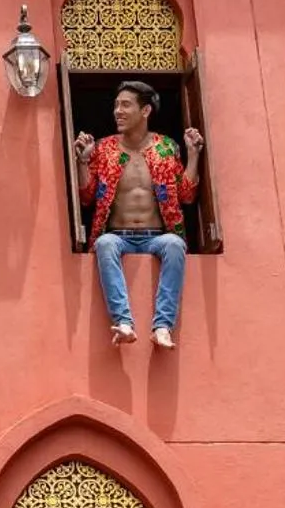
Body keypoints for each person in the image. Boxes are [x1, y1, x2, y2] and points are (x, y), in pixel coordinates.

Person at [73, 81, 204, 349]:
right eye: (116, 105)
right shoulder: (104, 148)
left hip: (156, 236)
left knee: (176, 245)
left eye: (125, 105)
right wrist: (83, 161)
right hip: (117, 235)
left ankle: (163, 326)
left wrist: (193, 155)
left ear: (145, 111)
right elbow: (86, 197)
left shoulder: (165, 148)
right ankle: (123, 322)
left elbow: (187, 195)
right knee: (105, 244)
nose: (117, 111)